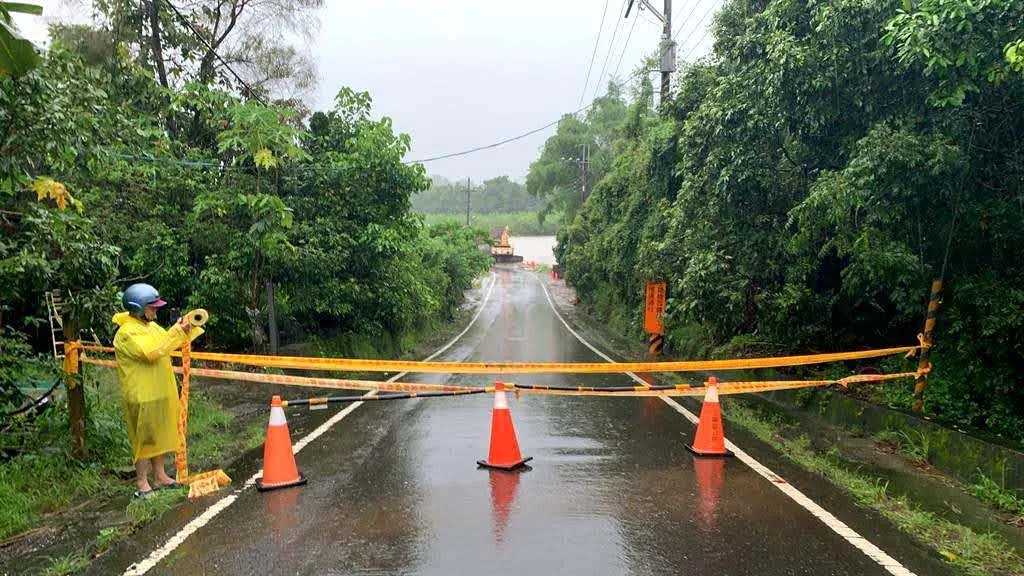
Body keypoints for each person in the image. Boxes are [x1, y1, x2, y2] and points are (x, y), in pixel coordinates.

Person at [112, 283, 203, 498]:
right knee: (144, 438)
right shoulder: (126, 333)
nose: (155, 311)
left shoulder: (151, 327)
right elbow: (151, 352)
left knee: (160, 433)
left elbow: (169, 341)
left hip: (160, 390)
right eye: (152, 307)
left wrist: (185, 329)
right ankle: (142, 483)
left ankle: (160, 476)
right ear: (138, 308)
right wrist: (175, 332)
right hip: (141, 395)